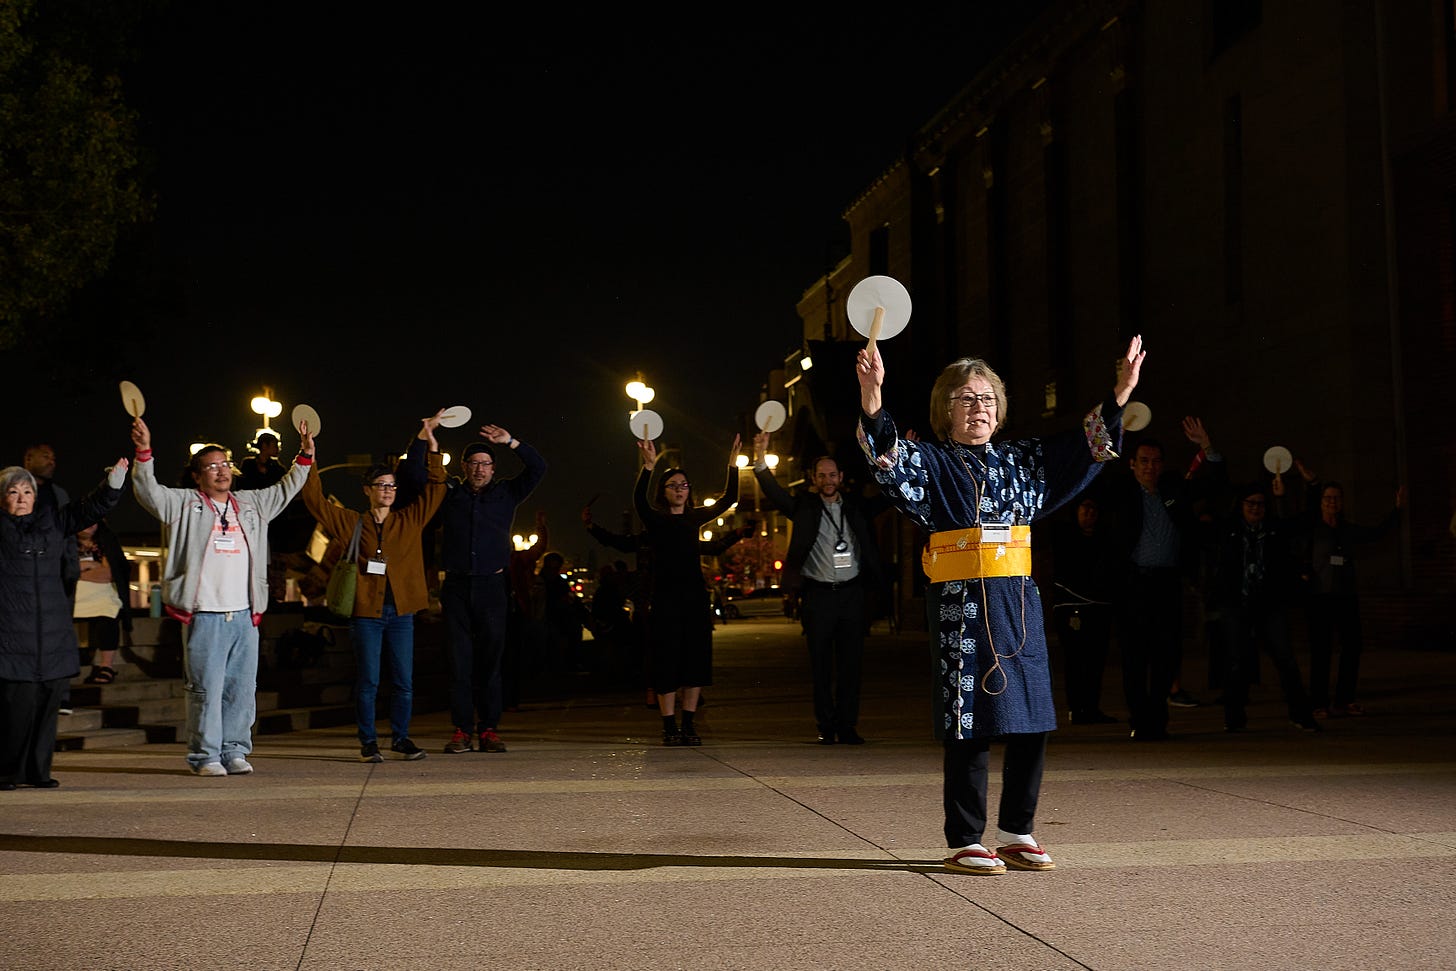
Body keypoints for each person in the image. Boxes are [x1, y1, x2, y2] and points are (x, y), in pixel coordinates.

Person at [854, 334, 1141, 875]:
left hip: (1019, 602)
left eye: (987, 398)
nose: (978, 407)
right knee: (970, 720)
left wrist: (1119, 395)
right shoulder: (932, 461)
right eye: (966, 398)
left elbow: (1083, 449)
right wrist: (873, 398)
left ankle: (1016, 831)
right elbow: (887, 457)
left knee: (1033, 716)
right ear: (945, 409)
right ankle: (965, 837)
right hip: (961, 605)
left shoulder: (1022, 460)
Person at [129, 415, 315, 777]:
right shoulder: (184, 504)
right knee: (205, 689)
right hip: (205, 616)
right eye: (211, 466)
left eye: (225, 464)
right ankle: (205, 756)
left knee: (242, 690)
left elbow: (286, 488)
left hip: (244, 616)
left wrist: (304, 456)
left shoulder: (251, 504)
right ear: (197, 475)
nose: (221, 471)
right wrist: (144, 452)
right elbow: (148, 491)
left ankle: (234, 750)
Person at [300, 414, 446, 763]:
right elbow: (315, 500)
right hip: (366, 613)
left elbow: (436, 489)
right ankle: (368, 741)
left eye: (392, 486)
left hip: (402, 614)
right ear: (367, 490)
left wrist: (433, 450)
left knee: (404, 682)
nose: (388, 491)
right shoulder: (352, 521)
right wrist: (308, 456)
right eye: (381, 485)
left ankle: (401, 739)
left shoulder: (409, 519)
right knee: (368, 681)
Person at [1, 456, 129, 791]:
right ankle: (7, 772)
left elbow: (88, 509)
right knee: (15, 709)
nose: (21, 498)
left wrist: (113, 483)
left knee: (47, 708)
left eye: (27, 491)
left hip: (53, 635)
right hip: (12, 637)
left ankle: (38, 772)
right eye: (13, 492)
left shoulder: (52, 523)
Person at [751, 432, 887, 745]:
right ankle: (826, 725)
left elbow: (888, 497)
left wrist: (899, 460)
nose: (828, 480)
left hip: (851, 594)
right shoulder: (804, 507)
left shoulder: (856, 506)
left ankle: (847, 726)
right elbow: (774, 493)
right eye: (822, 475)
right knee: (821, 665)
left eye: (832, 475)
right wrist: (759, 459)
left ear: (840, 477)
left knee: (851, 665)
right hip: (818, 595)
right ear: (813, 479)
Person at [1106, 421, 1224, 741]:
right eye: (1144, 461)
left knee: (1167, 655)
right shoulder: (1121, 491)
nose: (1150, 467)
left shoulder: (1173, 489)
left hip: (1167, 584)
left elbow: (1214, 485)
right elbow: (1096, 472)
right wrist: (1113, 438)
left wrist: (1207, 446)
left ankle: (1157, 720)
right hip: (1133, 585)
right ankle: (1139, 719)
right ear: (1132, 464)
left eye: (1156, 461)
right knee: (1134, 657)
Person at [432, 425, 546, 755]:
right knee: (459, 662)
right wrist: (428, 443)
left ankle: (489, 729)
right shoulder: (450, 496)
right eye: (474, 463)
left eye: (485, 464)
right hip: (456, 586)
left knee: (490, 662)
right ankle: (461, 730)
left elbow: (538, 467)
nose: (479, 469)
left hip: (492, 587)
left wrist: (511, 442)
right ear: (464, 467)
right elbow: (421, 478)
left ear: (493, 469)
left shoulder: (507, 493)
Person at [633, 433, 740, 745]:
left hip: (694, 598)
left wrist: (733, 465)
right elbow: (639, 501)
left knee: (695, 660)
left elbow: (728, 499)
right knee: (666, 660)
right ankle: (669, 726)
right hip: (665, 599)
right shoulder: (656, 520)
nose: (679, 489)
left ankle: (689, 724)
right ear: (663, 491)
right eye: (673, 485)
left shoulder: (694, 518)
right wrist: (648, 467)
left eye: (684, 485)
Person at [1289, 460, 1404, 717]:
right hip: (1319, 597)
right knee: (1321, 650)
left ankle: (1344, 699)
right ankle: (1318, 703)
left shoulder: (1348, 530)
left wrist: (1397, 510)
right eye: (1328, 498)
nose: (1332, 502)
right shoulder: (1311, 530)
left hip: (1346, 596)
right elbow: (1292, 552)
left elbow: (1376, 534)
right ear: (1320, 502)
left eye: (1337, 498)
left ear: (1342, 502)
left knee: (1352, 647)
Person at [1207, 479, 1320, 733]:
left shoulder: (1273, 529)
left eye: (1260, 504)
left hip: (1269, 603)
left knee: (1285, 658)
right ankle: (1234, 718)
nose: (1256, 508)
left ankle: (1300, 714)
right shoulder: (1229, 530)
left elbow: (1304, 521)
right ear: (1241, 505)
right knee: (1236, 660)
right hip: (1236, 603)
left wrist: (1310, 487)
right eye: (1251, 503)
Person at [1050, 495, 1118, 725]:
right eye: (1085, 508)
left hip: (1099, 607)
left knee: (1096, 660)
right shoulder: (1065, 537)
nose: (1090, 513)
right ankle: (1076, 708)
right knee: (1076, 660)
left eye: (1094, 509)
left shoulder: (1104, 538)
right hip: (1072, 606)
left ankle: (1091, 707)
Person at [73, 519, 134, 686]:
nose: (90, 524)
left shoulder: (106, 542)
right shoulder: (65, 542)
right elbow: (61, 571)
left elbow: (108, 574)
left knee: (108, 611)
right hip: (72, 593)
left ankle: (106, 666)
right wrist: (91, 565)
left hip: (102, 593)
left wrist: (78, 571)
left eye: (94, 521)